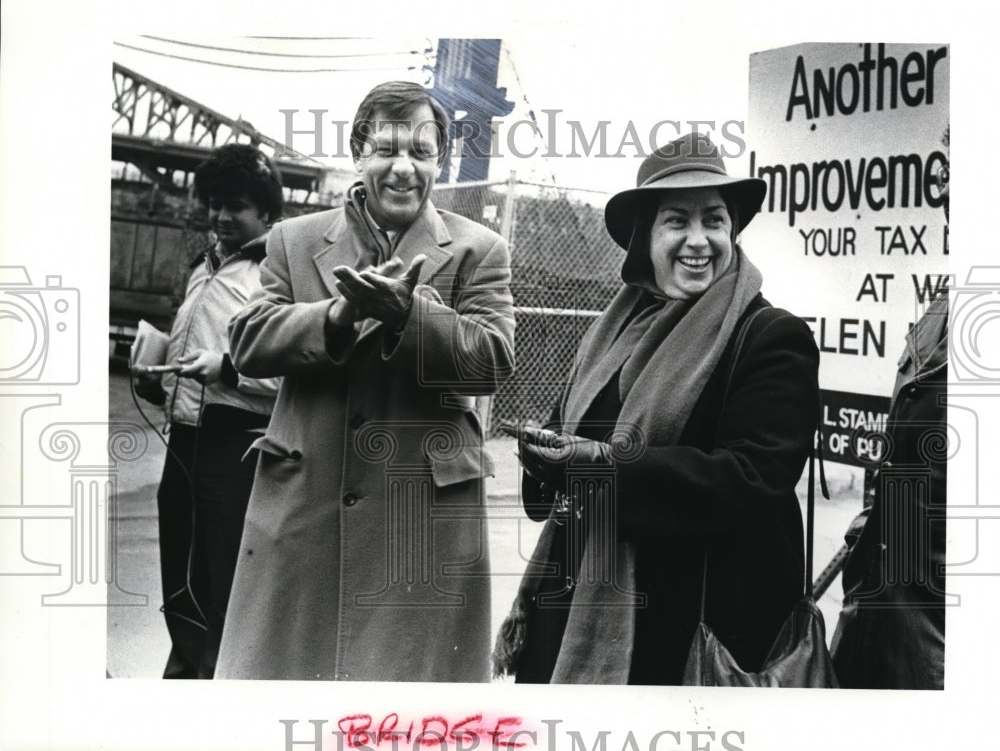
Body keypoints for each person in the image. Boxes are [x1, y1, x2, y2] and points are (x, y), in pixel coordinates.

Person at [493, 132, 820, 685]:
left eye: (714, 220)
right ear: (645, 236)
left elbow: (753, 480)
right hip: (572, 609)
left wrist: (600, 466)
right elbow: (570, 430)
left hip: (683, 636)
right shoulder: (611, 329)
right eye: (677, 221)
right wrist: (545, 455)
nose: (700, 241)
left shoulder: (770, 337)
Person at [217, 81, 516, 682]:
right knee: (287, 701)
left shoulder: (479, 250)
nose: (403, 168)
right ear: (359, 153)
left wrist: (411, 315)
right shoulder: (293, 240)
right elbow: (247, 342)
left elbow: (492, 360)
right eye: (385, 149)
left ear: (440, 163)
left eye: (421, 152)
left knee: (409, 714)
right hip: (307, 508)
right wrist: (336, 315)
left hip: (420, 521)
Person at [133, 143, 282, 679]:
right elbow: (191, 352)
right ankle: (185, 674)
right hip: (185, 436)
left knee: (222, 575)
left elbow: (295, 371)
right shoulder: (204, 265)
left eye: (236, 205)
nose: (221, 216)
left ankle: (218, 684)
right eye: (215, 202)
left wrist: (226, 368)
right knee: (179, 570)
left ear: (266, 212)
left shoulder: (275, 274)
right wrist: (158, 378)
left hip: (235, 442)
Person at [830, 132, 949, 689]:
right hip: (878, 614)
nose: (946, 190)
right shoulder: (947, 304)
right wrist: (867, 529)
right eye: (947, 174)